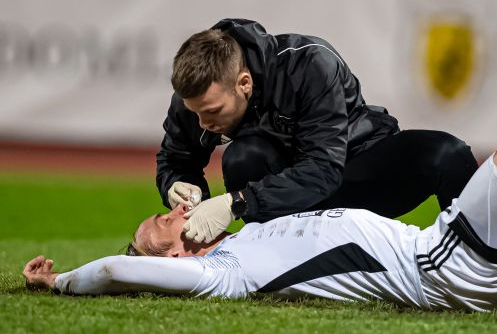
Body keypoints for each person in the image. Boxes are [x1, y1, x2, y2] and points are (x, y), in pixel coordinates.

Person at [24, 108, 497, 319]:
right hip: (445, 269)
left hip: (451, 250)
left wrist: (230, 202)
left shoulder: (244, 234)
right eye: (155, 226)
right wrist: (61, 282)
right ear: (172, 256)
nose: (163, 216)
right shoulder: (221, 273)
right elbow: (119, 271)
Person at [157, 18, 478, 244]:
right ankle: (270, 261)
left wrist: (237, 202)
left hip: (351, 172)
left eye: (212, 112)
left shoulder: (309, 64)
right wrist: (175, 184)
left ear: (244, 83)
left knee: (448, 154)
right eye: (195, 113)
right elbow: (175, 160)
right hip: (286, 202)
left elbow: (324, 169)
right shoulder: (197, 99)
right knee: (243, 157)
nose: (202, 123)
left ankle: (480, 263)